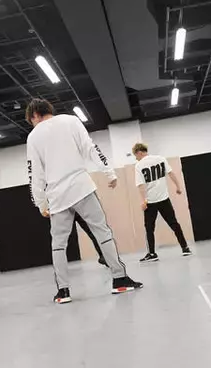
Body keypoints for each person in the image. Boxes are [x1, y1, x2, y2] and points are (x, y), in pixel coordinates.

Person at [26, 98, 142, 304]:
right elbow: (91, 148)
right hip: (82, 188)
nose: (33, 124)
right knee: (102, 232)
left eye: (31, 120)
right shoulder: (71, 121)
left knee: (58, 245)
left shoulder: (33, 137)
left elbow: (35, 173)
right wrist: (109, 172)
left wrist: (41, 203)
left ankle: (63, 291)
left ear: (34, 114)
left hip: (57, 197)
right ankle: (119, 279)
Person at [132, 143, 192, 262]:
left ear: (139, 152)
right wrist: (178, 186)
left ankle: (152, 253)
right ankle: (185, 248)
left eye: (136, 155)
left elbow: (140, 185)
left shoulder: (139, 165)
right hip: (164, 199)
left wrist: (143, 200)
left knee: (149, 228)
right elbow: (171, 173)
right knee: (174, 224)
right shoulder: (160, 159)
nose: (136, 158)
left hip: (150, 201)